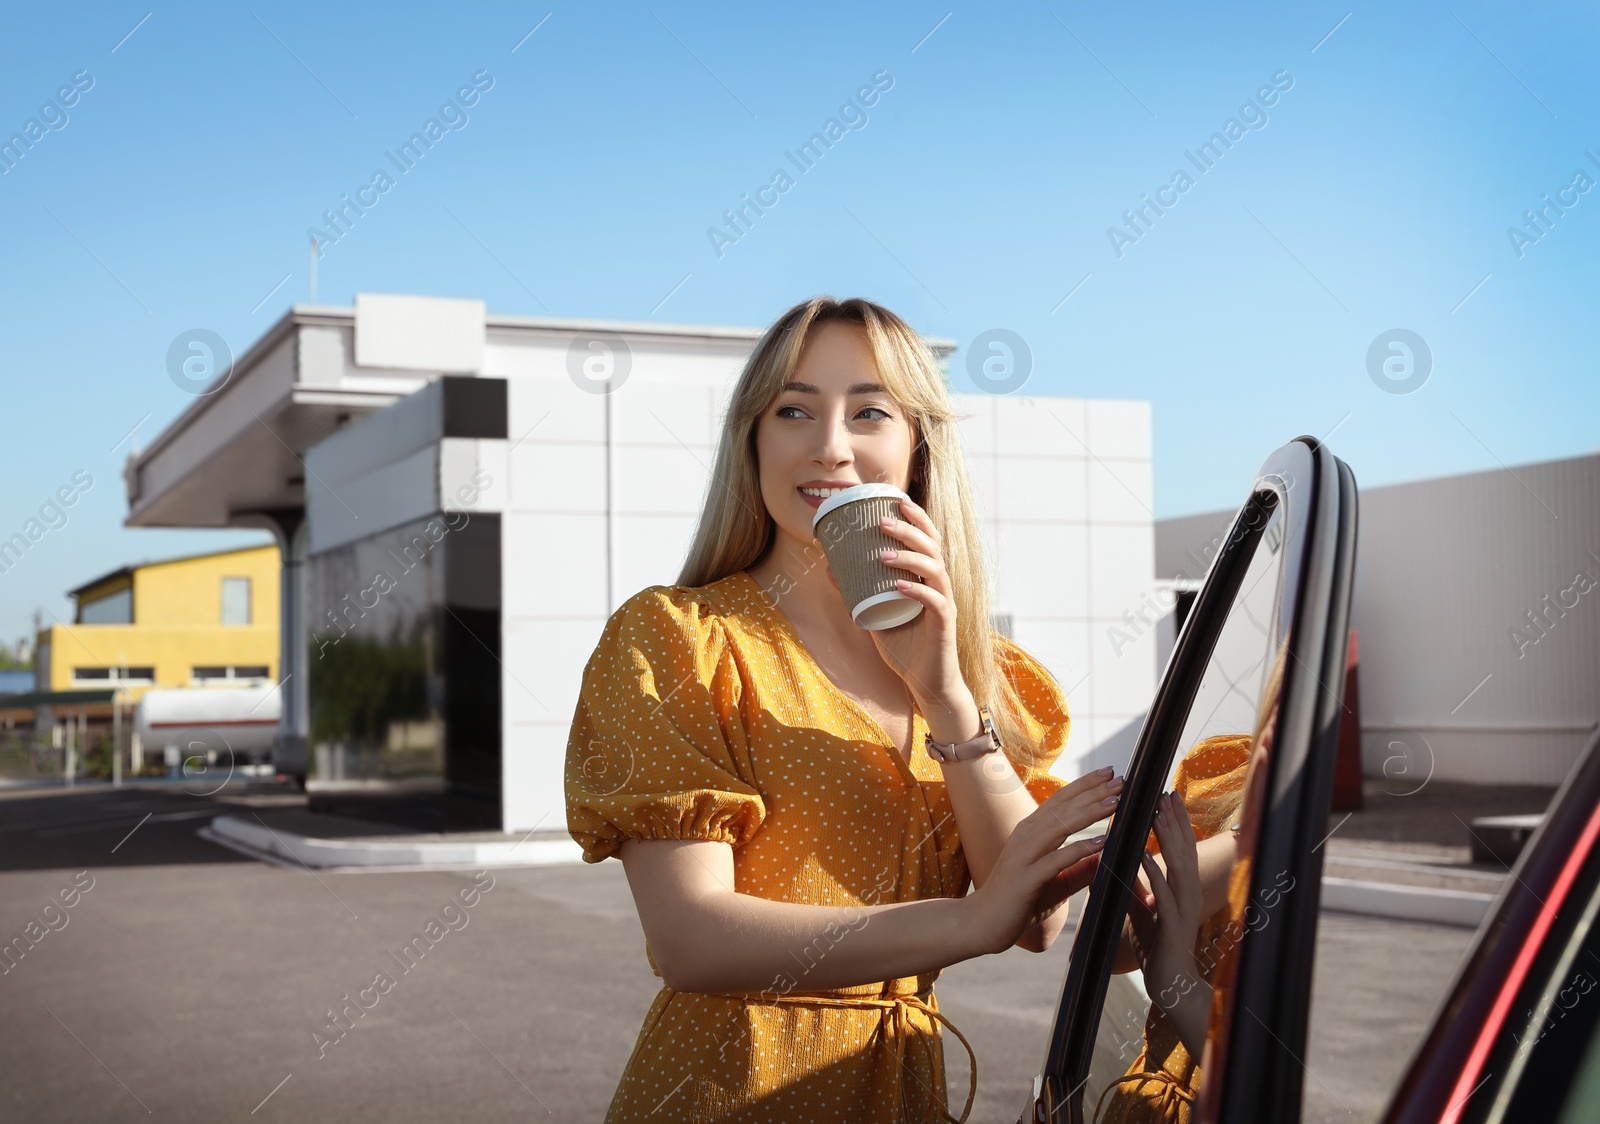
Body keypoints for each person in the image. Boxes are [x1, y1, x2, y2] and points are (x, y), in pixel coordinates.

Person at [564, 296, 1123, 1123]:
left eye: (869, 412)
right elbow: (690, 939)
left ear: (916, 447)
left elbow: (1037, 917)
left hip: (902, 1091)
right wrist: (970, 923)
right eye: (794, 410)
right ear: (753, 439)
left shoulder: (978, 672)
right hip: (725, 1092)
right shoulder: (681, 640)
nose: (830, 446)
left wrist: (944, 696)